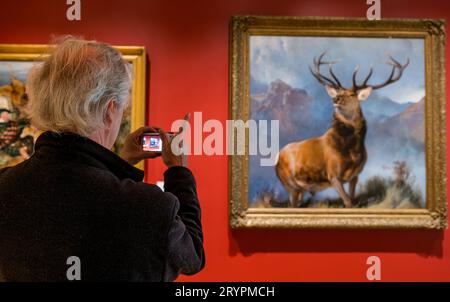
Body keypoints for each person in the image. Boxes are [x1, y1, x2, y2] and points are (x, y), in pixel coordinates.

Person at [0, 37, 205, 281]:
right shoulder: (151, 208)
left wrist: (122, 163)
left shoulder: (5, 187)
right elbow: (192, 256)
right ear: (109, 111)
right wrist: (178, 172)